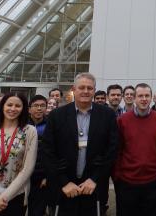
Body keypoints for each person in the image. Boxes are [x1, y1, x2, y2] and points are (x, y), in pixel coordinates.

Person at [42, 72, 118, 216]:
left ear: (94, 90)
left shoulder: (107, 115)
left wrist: (95, 179)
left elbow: (112, 150)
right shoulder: (56, 116)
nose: (85, 91)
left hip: (93, 187)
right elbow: (48, 151)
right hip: (64, 188)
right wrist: (63, 182)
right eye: (81, 87)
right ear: (73, 89)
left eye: (89, 88)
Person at [114, 83, 156, 216]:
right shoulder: (122, 120)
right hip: (127, 182)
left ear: (151, 98)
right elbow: (117, 150)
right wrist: (118, 175)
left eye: (147, 96)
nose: (144, 99)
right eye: (140, 96)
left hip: (155, 181)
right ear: (134, 98)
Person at [28, 95, 48, 216]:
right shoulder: (21, 125)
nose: (39, 108)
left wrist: (48, 176)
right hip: (21, 176)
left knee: (37, 211)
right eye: (36, 105)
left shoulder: (51, 125)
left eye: (42, 106)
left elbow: (55, 153)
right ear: (29, 109)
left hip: (41, 177)